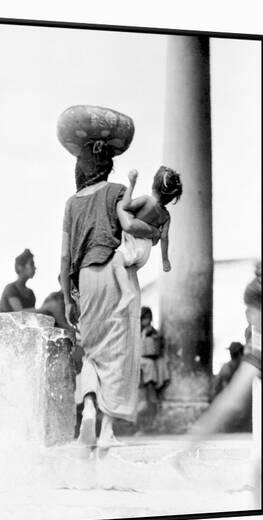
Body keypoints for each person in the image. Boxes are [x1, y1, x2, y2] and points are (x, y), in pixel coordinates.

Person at [60, 133, 161, 449]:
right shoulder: (117, 192)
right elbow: (131, 226)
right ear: (106, 166)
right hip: (114, 271)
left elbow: (64, 257)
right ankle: (106, 432)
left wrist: (67, 298)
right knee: (118, 349)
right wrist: (155, 232)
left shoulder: (71, 203)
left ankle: (88, 407)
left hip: (85, 278)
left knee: (91, 349)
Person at [174, 263, 262, 502]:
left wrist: (192, 442)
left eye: (250, 309)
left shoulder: (261, 345)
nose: (247, 315)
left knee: (260, 476)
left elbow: (231, 400)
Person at [113, 166, 182, 304]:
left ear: (153, 185)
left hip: (133, 242)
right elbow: (164, 238)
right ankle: (129, 293)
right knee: (130, 270)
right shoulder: (166, 216)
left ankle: (125, 293)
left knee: (116, 263)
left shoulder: (146, 200)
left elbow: (126, 205)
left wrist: (132, 184)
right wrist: (165, 260)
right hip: (145, 250)